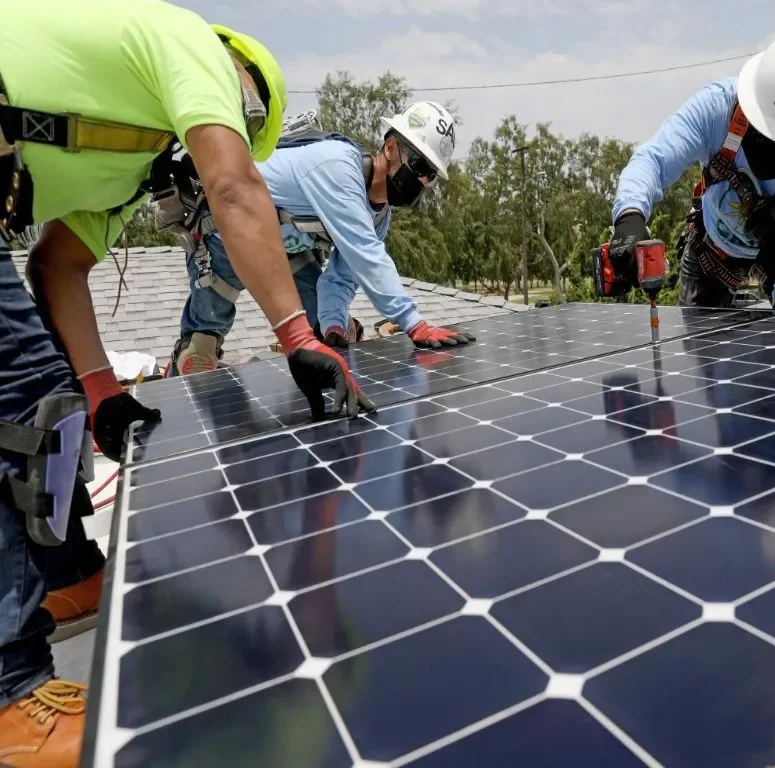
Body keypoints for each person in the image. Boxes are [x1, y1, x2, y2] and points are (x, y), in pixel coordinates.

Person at [0, 2, 373, 764]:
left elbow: (56, 266)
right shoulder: (191, 45)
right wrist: (297, 337)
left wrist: (101, 391)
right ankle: (9, 694)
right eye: (244, 115)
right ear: (242, 84)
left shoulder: (130, 170)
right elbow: (236, 189)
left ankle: (66, 574)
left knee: (47, 390)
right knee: (17, 394)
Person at [167, 101, 476, 375]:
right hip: (225, 238)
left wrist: (332, 327)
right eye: (420, 165)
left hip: (283, 253)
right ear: (392, 148)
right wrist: (413, 322)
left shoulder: (378, 216)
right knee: (198, 355)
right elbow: (367, 256)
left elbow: (341, 279)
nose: (422, 180)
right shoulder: (338, 166)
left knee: (320, 336)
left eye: (431, 174)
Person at [608, 26, 775, 311]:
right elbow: (653, 159)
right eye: (765, 128)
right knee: (697, 350)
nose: (771, 144)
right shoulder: (718, 108)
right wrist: (630, 216)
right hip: (711, 253)